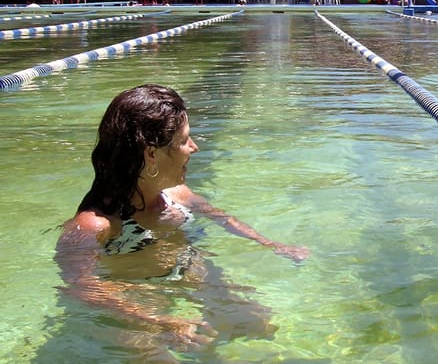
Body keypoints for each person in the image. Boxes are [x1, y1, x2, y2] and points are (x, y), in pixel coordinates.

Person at [56, 84, 309, 348]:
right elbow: (79, 284)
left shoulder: (177, 194)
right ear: (151, 154)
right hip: (135, 294)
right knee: (156, 354)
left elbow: (221, 217)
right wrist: (161, 321)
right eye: (184, 140)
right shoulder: (95, 224)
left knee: (260, 324)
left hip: (190, 269)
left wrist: (271, 244)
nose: (194, 147)